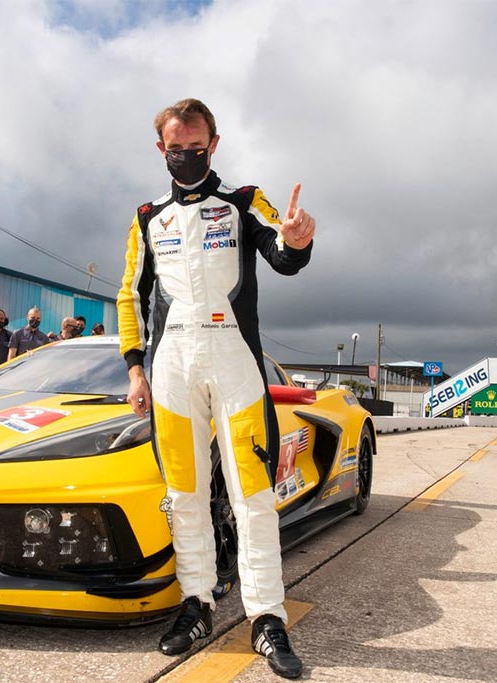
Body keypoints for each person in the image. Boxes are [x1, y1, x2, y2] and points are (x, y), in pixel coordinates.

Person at [117, 98, 315, 679]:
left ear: (214, 143)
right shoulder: (146, 216)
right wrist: (135, 367)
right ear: (161, 150)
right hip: (170, 363)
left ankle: (267, 617)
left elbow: (282, 253)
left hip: (235, 362)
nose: (185, 156)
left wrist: (298, 239)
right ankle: (196, 603)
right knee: (184, 494)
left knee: (252, 494)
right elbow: (129, 296)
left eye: (195, 147)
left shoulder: (245, 200)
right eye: (174, 149)